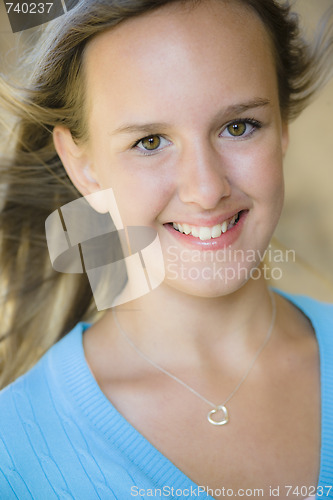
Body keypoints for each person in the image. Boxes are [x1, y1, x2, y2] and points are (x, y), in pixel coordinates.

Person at [0, 0, 332, 498]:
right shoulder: (12, 455)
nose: (206, 189)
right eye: (151, 141)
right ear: (83, 165)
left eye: (238, 126)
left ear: (282, 125)